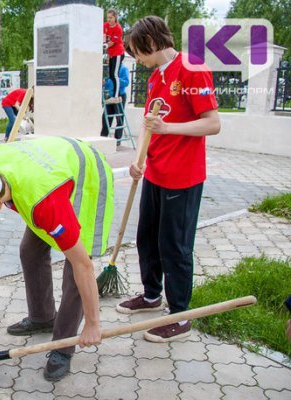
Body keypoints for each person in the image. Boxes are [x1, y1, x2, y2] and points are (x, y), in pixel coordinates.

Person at [0, 136, 114, 381]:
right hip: (49, 171)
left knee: (74, 265)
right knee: (30, 251)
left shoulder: (45, 204)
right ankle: (43, 317)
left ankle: (63, 347)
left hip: (87, 176)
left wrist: (93, 323)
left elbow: (84, 266)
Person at [115, 16, 221, 343]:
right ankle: (150, 296)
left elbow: (212, 123)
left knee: (174, 246)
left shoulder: (192, 68)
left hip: (183, 177)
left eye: (137, 53)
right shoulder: (156, 77)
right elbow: (152, 125)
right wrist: (138, 161)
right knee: (148, 238)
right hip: (156, 173)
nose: (137, 60)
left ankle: (180, 316)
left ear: (150, 42)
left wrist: (170, 129)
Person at [101, 64, 130, 143]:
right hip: (110, 96)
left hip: (120, 96)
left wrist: (116, 79)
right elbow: (108, 83)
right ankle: (103, 137)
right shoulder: (110, 69)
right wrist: (104, 82)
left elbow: (126, 82)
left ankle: (117, 140)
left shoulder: (123, 68)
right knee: (105, 117)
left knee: (119, 118)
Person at [103, 9, 126, 104]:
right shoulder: (105, 25)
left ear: (115, 17)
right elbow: (104, 35)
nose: (109, 19)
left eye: (111, 17)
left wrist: (105, 46)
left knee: (114, 74)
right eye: (107, 17)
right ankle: (114, 95)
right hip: (111, 54)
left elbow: (111, 43)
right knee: (111, 74)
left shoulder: (118, 28)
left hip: (118, 53)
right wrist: (103, 43)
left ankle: (116, 96)